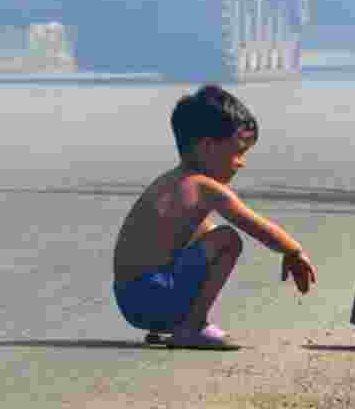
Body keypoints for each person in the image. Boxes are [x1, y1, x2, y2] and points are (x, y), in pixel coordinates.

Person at [112, 85, 317, 349]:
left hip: (129, 300)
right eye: (238, 152)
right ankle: (192, 326)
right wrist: (294, 252)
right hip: (155, 296)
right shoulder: (205, 187)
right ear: (207, 147)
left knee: (206, 231)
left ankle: (177, 324)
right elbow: (255, 226)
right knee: (228, 240)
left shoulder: (170, 182)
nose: (241, 163)